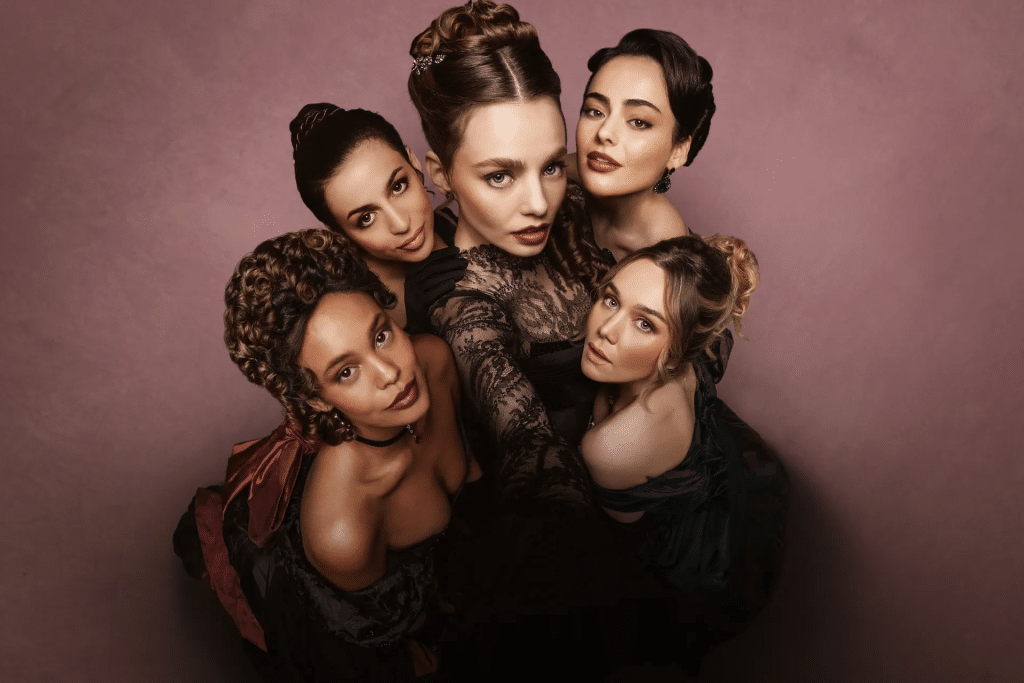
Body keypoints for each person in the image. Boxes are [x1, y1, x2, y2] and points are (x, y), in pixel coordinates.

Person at [174, 229, 480, 681]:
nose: (392, 373)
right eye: (347, 371)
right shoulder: (342, 531)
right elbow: (402, 624)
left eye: (380, 335)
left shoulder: (432, 361)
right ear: (315, 399)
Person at [407, 0, 603, 511]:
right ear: (441, 173)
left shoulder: (575, 208)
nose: (539, 204)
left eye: (552, 166)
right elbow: (528, 442)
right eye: (500, 175)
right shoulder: (463, 308)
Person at [580, 234, 789, 673]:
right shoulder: (680, 365)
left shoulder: (612, 447)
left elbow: (615, 552)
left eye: (645, 324)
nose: (605, 329)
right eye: (611, 299)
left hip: (672, 573)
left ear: (680, 349)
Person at [290, 104, 467, 332]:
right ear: (339, 233)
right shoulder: (356, 312)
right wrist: (418, 326)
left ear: (413, 163)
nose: (402, 224)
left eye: (398, 186)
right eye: (366, 218)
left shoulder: (452, 222)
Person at [572, 29, 717, 263]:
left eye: (638, 122)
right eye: (595, 111)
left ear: (678, 151)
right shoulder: (549, 174)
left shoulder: (670, 264)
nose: (604, 132)